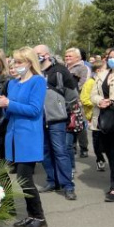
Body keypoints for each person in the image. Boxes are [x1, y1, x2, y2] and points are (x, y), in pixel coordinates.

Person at [0, 47, 47, 227]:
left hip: (29, 136)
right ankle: (31, 215)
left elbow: (34, 109)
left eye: (19, 62)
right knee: (22, 179)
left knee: (25, 178)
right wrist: (3, 108)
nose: (15, 65)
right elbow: (10, 110)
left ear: (30, 63)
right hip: (13, 136)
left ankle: (39, 216)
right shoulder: (14, 83)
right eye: (14, 62)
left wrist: (9, 103)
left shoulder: (38, 81)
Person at [35, 44, 78, 201]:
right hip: (39, 119)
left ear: (46, 55)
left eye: (38, 54)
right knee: (45, 151)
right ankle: (52, 181)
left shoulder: (60, 70)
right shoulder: (34, 72)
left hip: (57, 119)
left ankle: (68, 186)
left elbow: (72, 94)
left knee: (60, 152)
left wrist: (62, 108)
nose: (35, 57)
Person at [90, 47, 114, 207]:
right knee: (109, 152)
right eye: (109, 57)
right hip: (104, 118)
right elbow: (92, 94)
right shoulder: (101, 74)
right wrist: (99, 101)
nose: (111, 60)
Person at [81, 59, 108, 172]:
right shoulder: (90, 82)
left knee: (107, 140)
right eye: (105, 69)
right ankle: (100, 159)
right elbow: (84, 98)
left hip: (106, 115)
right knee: (97, 141)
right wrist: (97, 103)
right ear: (98, 70)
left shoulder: (105, 81)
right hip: (94, 116)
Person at [65, 47, 90, 158]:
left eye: (70, 56)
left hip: (77, 99)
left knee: (79, 124)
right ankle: (72, 146)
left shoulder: (82, 68)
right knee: (69, 123)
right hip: (65, 100)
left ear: (78, 57)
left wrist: (72, 91)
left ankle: (84, 147)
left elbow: (84, 83)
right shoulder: (64, 67)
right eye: (66, 56)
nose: (67, 58)